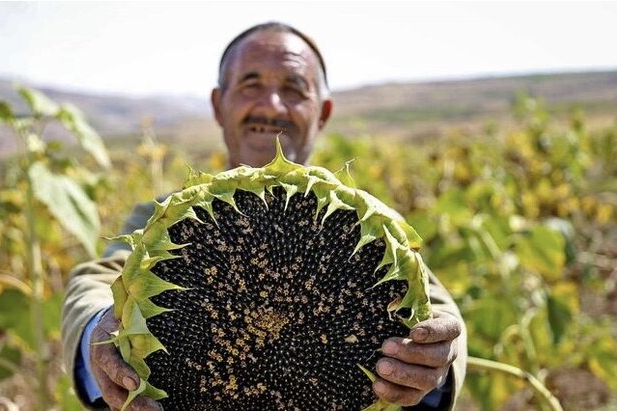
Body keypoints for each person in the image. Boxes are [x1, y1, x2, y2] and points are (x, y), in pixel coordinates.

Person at [61, 21, 467, 411]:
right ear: (220, 105)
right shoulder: (165, 218)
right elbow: (98, 283)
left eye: (294, 88)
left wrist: (434, 360)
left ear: (322, 113)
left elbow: (437, 310)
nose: (271, 106)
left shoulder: (366, 227)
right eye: (251, 84)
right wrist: (101, 335)